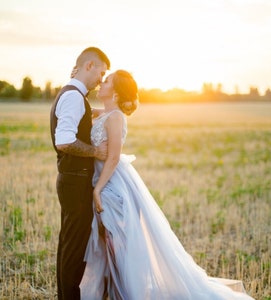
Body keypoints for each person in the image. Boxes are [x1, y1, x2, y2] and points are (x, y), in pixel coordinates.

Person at [79, 69, 255, 299]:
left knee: (116, 240)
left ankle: (125, 291)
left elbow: (113, 157)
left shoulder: (115, 117)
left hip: (111, 183)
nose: (102, 83)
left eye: (108, 81)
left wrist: (98, 189)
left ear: (116, 92)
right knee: (108, 241)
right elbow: (92, 114)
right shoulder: (108, 114)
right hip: (105, 178)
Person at [50, 46, 110, 300]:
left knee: (69, 244)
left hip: (71, 179)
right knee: (74, 249)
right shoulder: (74, 96)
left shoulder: (75, 95)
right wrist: (96, 152)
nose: (101, 79)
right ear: (89, 66)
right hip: (75, 181)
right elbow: (64, 141)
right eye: (102, 72)